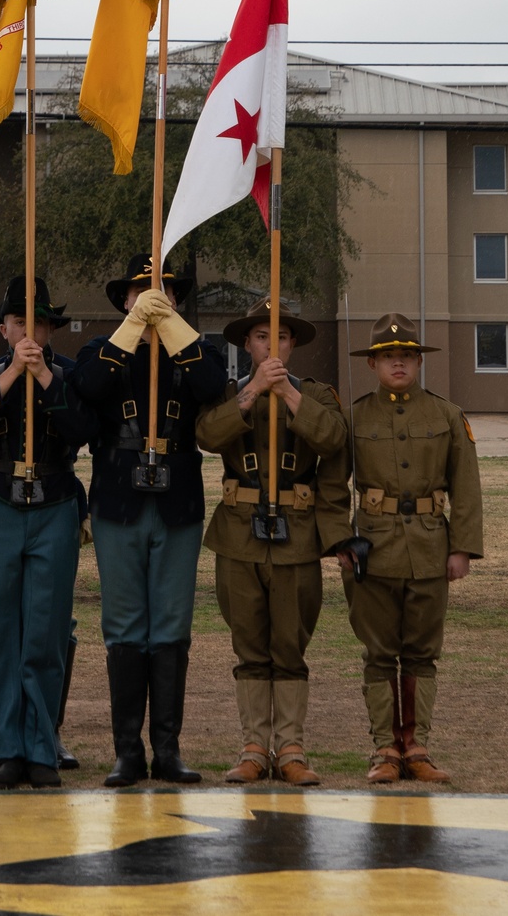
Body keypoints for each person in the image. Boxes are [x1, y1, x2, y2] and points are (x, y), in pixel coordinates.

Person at [70, 254, 228, 787]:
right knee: (123, 627)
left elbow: (211, 385)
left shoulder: (195, 351)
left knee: (171, 627)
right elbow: (89, 387)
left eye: (165, 293)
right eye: (142, 291)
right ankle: (126, 752)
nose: (155, 299)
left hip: (176, 500)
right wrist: (136, 325)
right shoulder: (102, 349)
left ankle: (168, 749)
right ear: (123, 300)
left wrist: (171, 327)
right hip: (119, 498)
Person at [196, 297, 348, 786]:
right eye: (262, 336)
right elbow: (206, 434)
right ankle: (254, 747)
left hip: (296, 535)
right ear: (247, 342)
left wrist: (289, 396)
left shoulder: (317, 393)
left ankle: (292, 749)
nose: (271, 344)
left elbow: (333, 439)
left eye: (280, 337)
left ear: (293, 344)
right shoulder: (229, 391)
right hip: (239, 534)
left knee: (290, 645)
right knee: (250, 646)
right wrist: (254, 391)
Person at [0, 276, 97, 789]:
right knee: (0, 632)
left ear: (51, 328)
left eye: (37, 322)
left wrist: (46, 379)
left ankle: (41, 745)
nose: (28, 331)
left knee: (46, 628)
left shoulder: (71, 375)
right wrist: (14, 372)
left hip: (55, 500)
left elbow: (83, 431)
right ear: (3, 329)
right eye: (18, 322)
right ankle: (6, 747)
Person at [338, 313, 483, 784]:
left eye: (406, 356)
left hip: (429, 547)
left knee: (421, 652)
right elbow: (330, 484)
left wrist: (461, 549)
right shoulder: (355, 414)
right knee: (379, 653)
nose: (397, 364)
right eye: (387, 357)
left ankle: (416, 745)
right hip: (371, 551)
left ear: (419, 361)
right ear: (373, 365)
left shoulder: (445, 414)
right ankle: (384, 748)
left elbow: (467, 487)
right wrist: (340, 539)